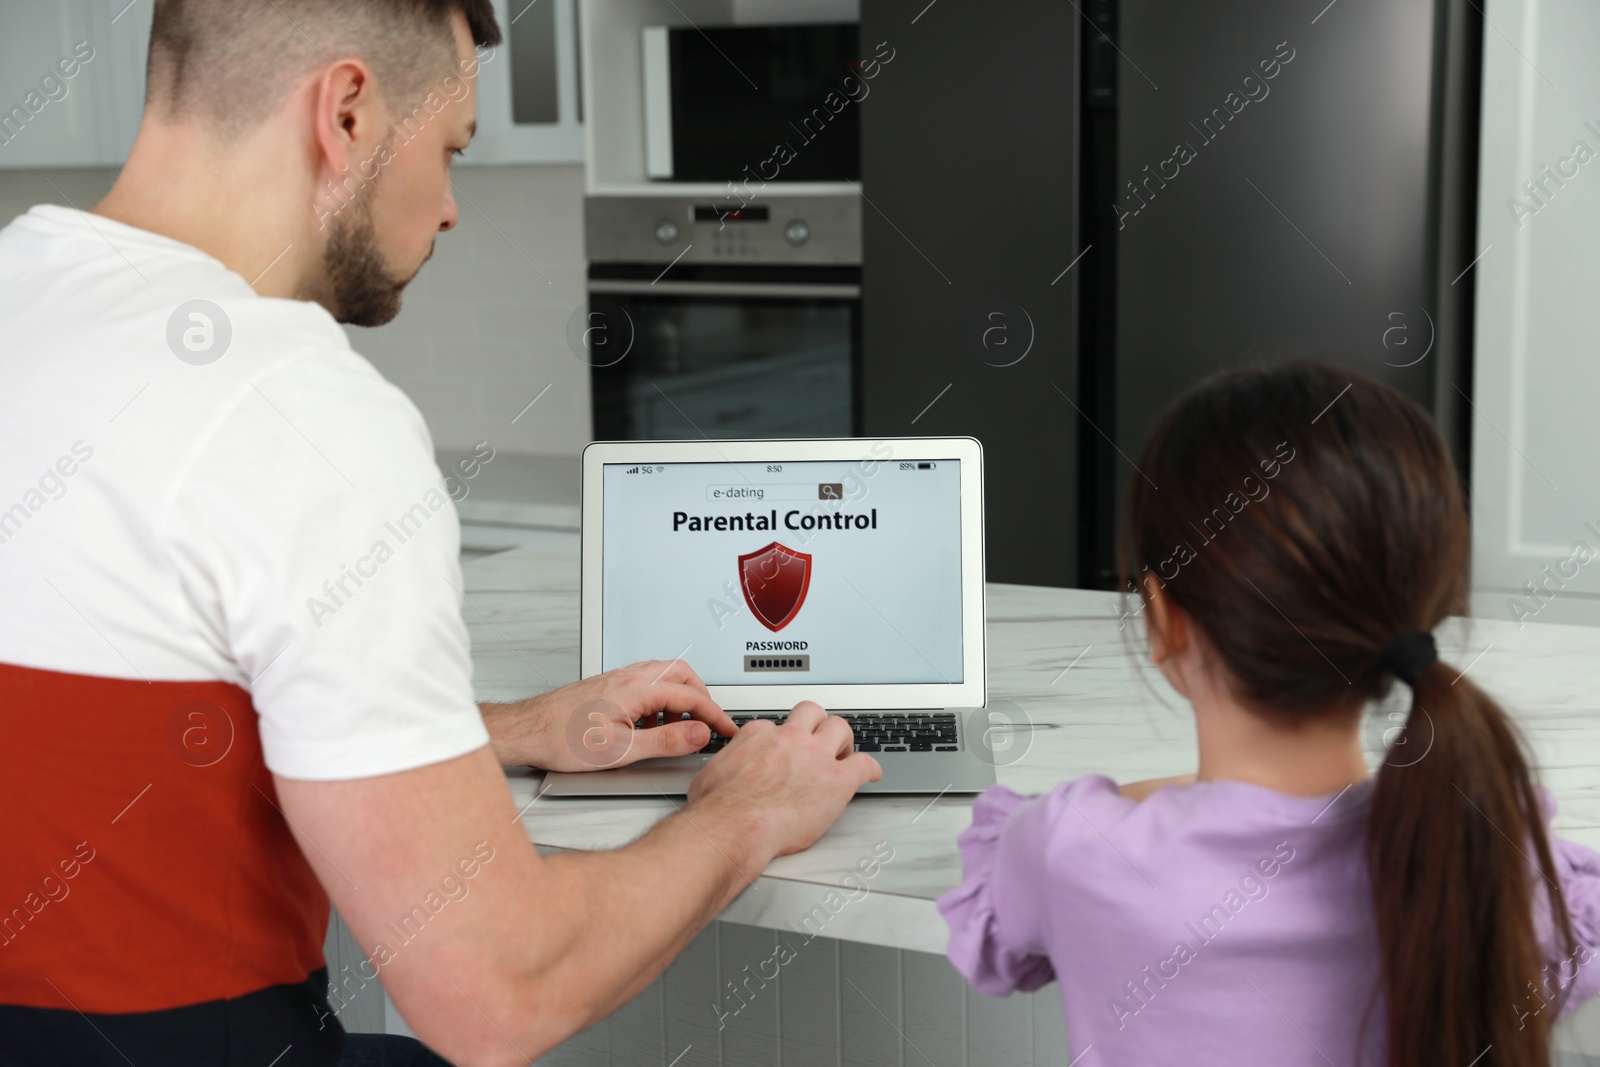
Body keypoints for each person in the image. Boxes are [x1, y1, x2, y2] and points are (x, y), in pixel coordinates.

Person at [0, 2, 879, 1065]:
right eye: (451, 148)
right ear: (350, 112)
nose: (453, 207)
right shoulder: (295, 406)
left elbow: (128, 707)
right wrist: (748, 810)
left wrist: (497, 730)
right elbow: (499, 993)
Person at [939, 363, 1600, 1066]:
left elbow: (995, 931)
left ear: (1164, 619)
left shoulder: (1074, 848)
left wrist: (1160, 796)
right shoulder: (1494, 856)